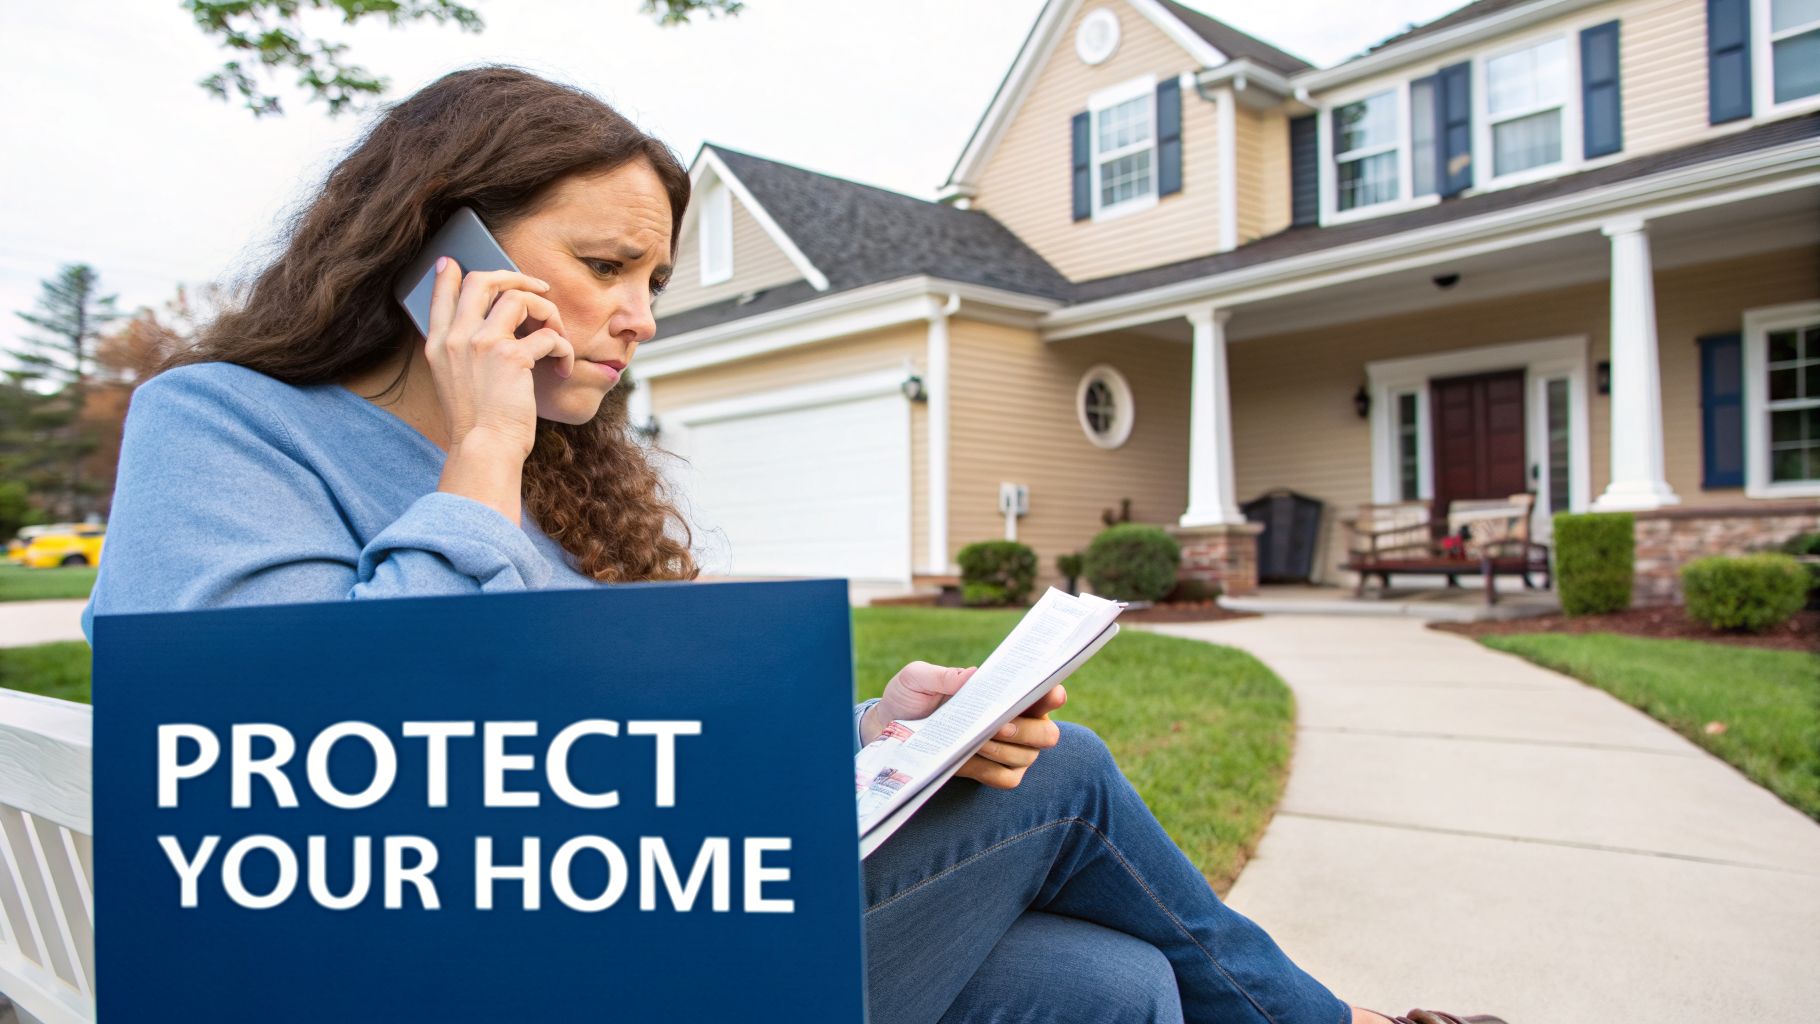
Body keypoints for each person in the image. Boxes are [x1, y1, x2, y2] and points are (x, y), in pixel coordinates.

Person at [82, 65, 1504, 1024]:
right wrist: (478, 452)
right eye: (606, 268)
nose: (642, 315)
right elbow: (295, 753)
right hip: (463, 979)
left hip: (613, 931)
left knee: (1111, 985)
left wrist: (875, 727)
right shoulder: (225, 425)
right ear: (437, 251)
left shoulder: (550, 487)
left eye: (653, 279)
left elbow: (635, 761)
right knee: (1066, 777)